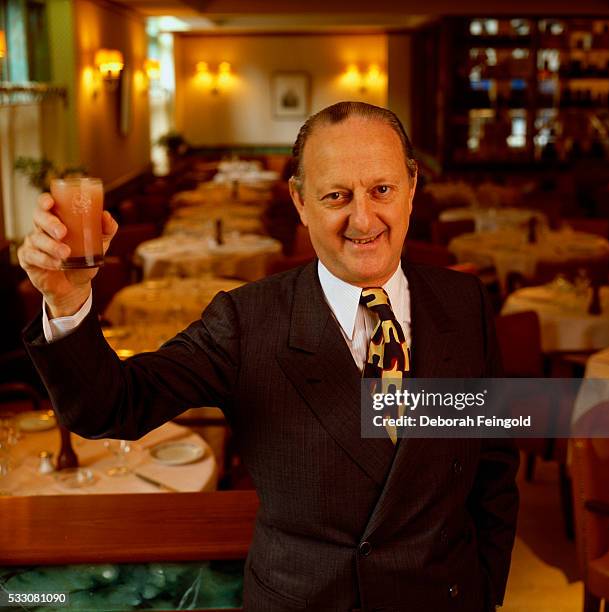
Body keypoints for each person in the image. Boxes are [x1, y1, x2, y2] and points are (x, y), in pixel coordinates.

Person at [19, 101, 518, 612]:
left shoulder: (464, 302)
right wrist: (66, 300)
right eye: (336, 196)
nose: (363, 218)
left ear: (412, 186)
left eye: (382, 190)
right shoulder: (245, 321)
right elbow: (112, 406)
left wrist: (483, 589)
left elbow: (493, 467)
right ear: (300, 202)